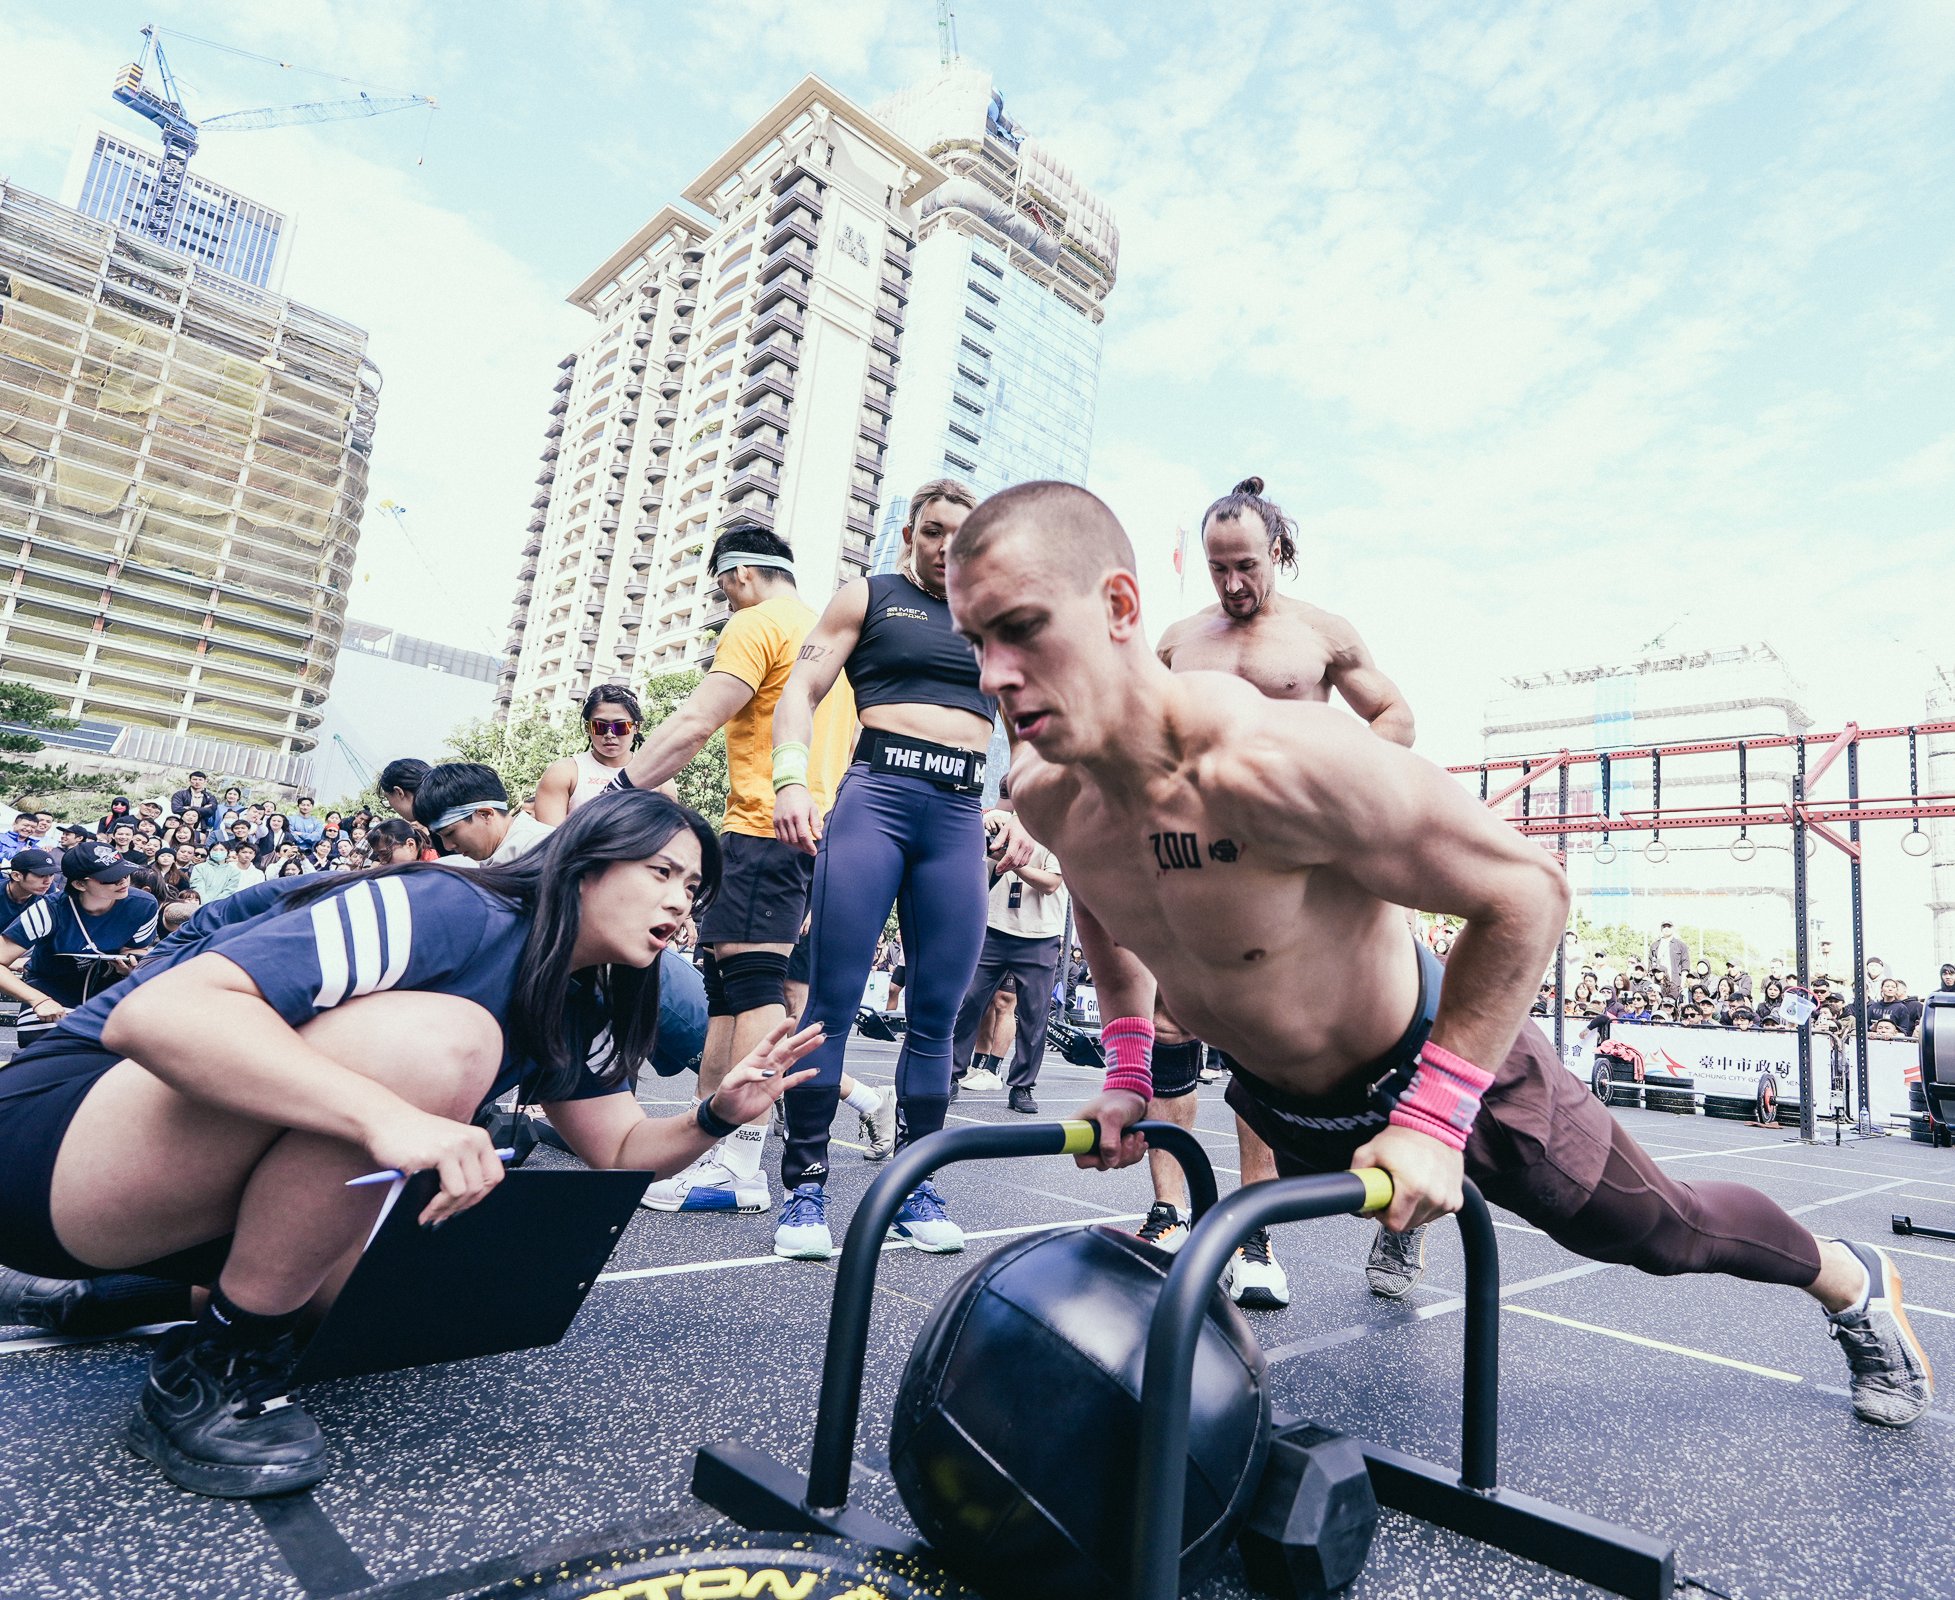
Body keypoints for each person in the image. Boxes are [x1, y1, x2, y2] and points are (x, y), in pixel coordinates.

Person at [943, 480, 1932, 1431]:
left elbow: (1525, 891)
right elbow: (1106, 907)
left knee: (1660, 1232)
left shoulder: (1271, 764)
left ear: (1118, 604)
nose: (991, 674)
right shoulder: (1047, 792)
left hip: (1433, 1065)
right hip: (1283, 1094)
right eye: (975, 643)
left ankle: (1846, 1281)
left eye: (1020, 629)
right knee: (1233, 1223)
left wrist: (1431, 1116)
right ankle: (1404, 1205)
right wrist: (1124, 1070)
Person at [0, 792, 820, 1497]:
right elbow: (160, 1016)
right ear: (584, 862)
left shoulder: (582, 1000)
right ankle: (215, 1370)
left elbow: (620, 1151)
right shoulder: (451, 905)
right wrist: (385, 1117)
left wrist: (716, 1113)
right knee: (440, 1044)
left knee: (416, 1297)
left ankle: (128, 1292)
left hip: (138, 1202)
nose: (682, 903)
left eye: (694, 888)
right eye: (662, 872)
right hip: (46, 1142)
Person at [1148, 475, 1418, 1309]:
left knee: (1362, 1046)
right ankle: (1171, 1213)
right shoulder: (1175, 641)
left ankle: (1385, 1223)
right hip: (1206, 865)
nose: (1232, 584)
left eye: (1247, 566)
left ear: (1278, 554)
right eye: (1217, 567)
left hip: (1306, 865)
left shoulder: (1321, 635)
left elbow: (1396, 718)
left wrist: (1321, 790)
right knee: (1172, 1022)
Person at [767, 477, 1035, 1262]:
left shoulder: (996, 623)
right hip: (875, 801)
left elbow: (1025, 735)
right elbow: (801, 691)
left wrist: (1019, 808)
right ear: (910, 534)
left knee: (937, 1011)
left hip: (956, 817)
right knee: (834, 997)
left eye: (963, 534)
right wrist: (790, 779)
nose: (946, 545)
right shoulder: (867, 596)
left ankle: (918, 1181)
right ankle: (805, 1187)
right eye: (933, 530)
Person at [613, 526, 889, 1214]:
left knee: (755, 988)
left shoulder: (757, 623)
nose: (723, 599)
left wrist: (619, 792)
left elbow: (695, 722)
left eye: (719, 587)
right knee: (727, 995)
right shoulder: (831, 638)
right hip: (803, 828)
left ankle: (740, 1165)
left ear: (738, 574)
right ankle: (708, 1150)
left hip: (766, 824)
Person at [950, 835, 1068, 1114]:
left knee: (1034, 1016)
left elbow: (1051, 883)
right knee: (969, 1002)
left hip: (1040, 934)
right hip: (994, 926)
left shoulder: (1055, 828)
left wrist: (1011, 863)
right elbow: (980, 869)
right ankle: (951, 1075)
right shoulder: (1001, 825)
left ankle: (1022, 1086)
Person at [0, 843, 160, 1047]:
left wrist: (132, 964)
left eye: (125, 873)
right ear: (80, 884)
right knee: (48, 1045)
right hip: (50, 985)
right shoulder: (49, 910)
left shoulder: (144, 905)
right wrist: (38, 1000)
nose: (122, 881)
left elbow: (135, 949)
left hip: (108, 985)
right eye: (110, 878)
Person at [535, 684, 677, 820]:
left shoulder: (659, 776)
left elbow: (671, 835)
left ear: (636, 727)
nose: (609, 734)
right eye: (599, 726)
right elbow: (551, 838)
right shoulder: (564, 773)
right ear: (587, 728)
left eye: (620, 726)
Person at [418, 764, 555, 864]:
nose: (448, 846)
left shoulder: (540, 849)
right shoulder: (493, 855)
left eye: (449, 833)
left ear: (485, 814)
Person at [5, 846, 57, 916]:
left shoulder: (49, 891)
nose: (48, 881)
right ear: (16, 876)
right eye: (41, 875)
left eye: (51, 874)